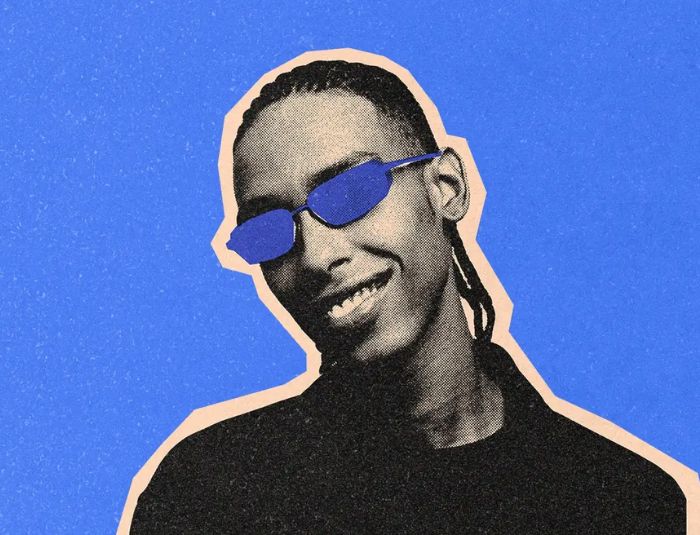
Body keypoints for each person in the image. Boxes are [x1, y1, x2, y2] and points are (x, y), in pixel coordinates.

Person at [127, 52, 689, 534]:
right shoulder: (210, 497)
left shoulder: (627, 502)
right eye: (270, 230)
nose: (316, 256)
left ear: (446, 187)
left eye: (350, 192)